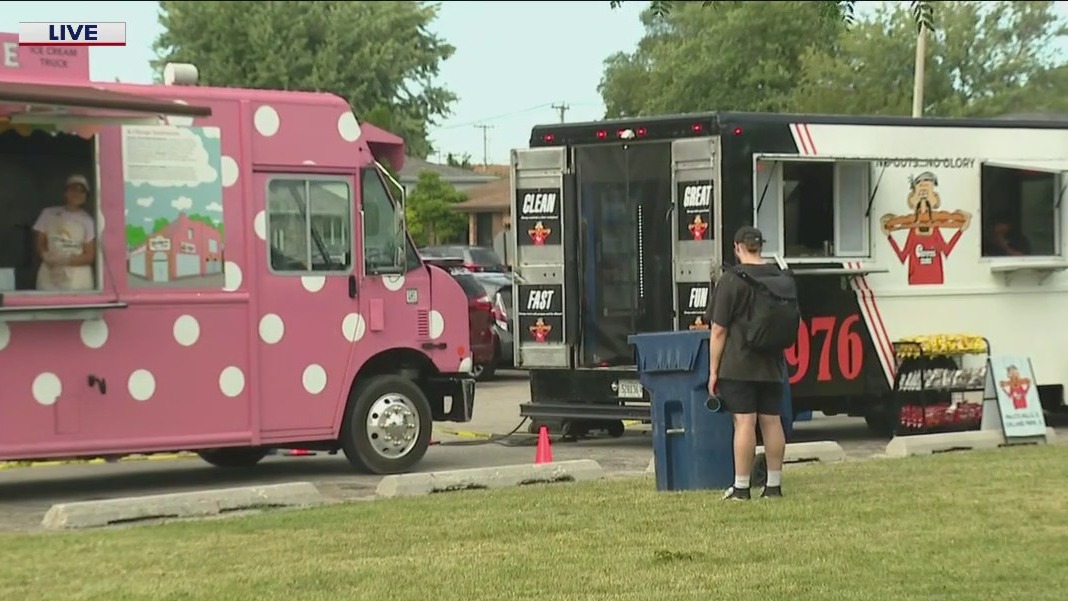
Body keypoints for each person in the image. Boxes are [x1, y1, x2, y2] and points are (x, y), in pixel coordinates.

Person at [707, 226, 795, 500]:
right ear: (761, 246)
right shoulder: (781, 277)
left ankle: (742, 487)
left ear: (737, 247)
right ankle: (773, 486)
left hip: (739, 363)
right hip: (772, 362)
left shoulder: (731, 280)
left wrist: (713, 371)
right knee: (772, 421)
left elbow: (719, 330)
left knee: (744, 422)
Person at [33, 174, 97, 291]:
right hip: (49, 275)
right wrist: (45, 255)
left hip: (76, 279)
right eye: (73, 189)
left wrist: (66, 260)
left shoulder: (88, 221)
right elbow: (40, 242)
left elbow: (89, 256)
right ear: (65, 192)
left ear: (86, 197)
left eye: (81, 191)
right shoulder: (48, 214)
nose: (76, 194)